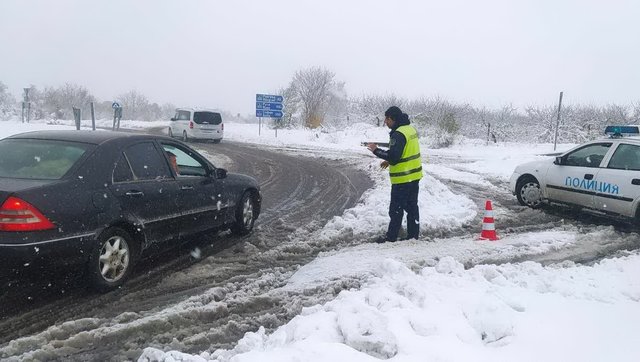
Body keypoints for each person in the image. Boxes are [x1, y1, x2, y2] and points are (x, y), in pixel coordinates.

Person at [367, 106, 422, 243]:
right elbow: (405, 152)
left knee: (396, 210)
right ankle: (413, 236)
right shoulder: (410, 129)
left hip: (402, 179)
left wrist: (376, 151)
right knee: (412, 208)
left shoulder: (398, 133)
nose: (385, 121)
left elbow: (394, 156)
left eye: (387, 119)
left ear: (393, 119)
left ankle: (391, 237)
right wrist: (389, 160)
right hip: (414, 176)